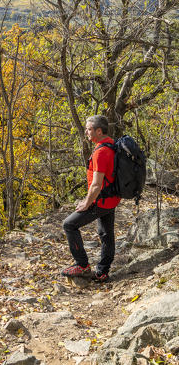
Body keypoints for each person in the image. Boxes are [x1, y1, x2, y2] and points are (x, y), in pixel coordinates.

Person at [61, 115, 120, 282]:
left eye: (89, 129)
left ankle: (82, 265)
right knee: (106, 234)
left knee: (69, 224)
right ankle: (102, 272)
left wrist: (87, 203)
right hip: (112, 199)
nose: (86, 132)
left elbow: (96, 185)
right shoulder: (112, 144)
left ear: (98, 131)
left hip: (101, 200)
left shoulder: (101, 152)